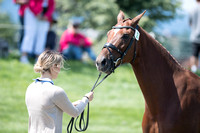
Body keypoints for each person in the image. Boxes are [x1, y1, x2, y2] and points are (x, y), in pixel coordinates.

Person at [25, 50, 94, 133]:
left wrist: (69, 105)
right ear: (54, 66)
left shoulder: (31, 87)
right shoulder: (56, 91)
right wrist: (86, 99)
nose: (60, 68)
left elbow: (46, 109)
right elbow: (75, 113)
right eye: (59, 65)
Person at [189, 0, 200, 72]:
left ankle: (194, 71)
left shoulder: (192, 9)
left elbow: (190, 23)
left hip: (194, 37)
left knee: (194, 55)